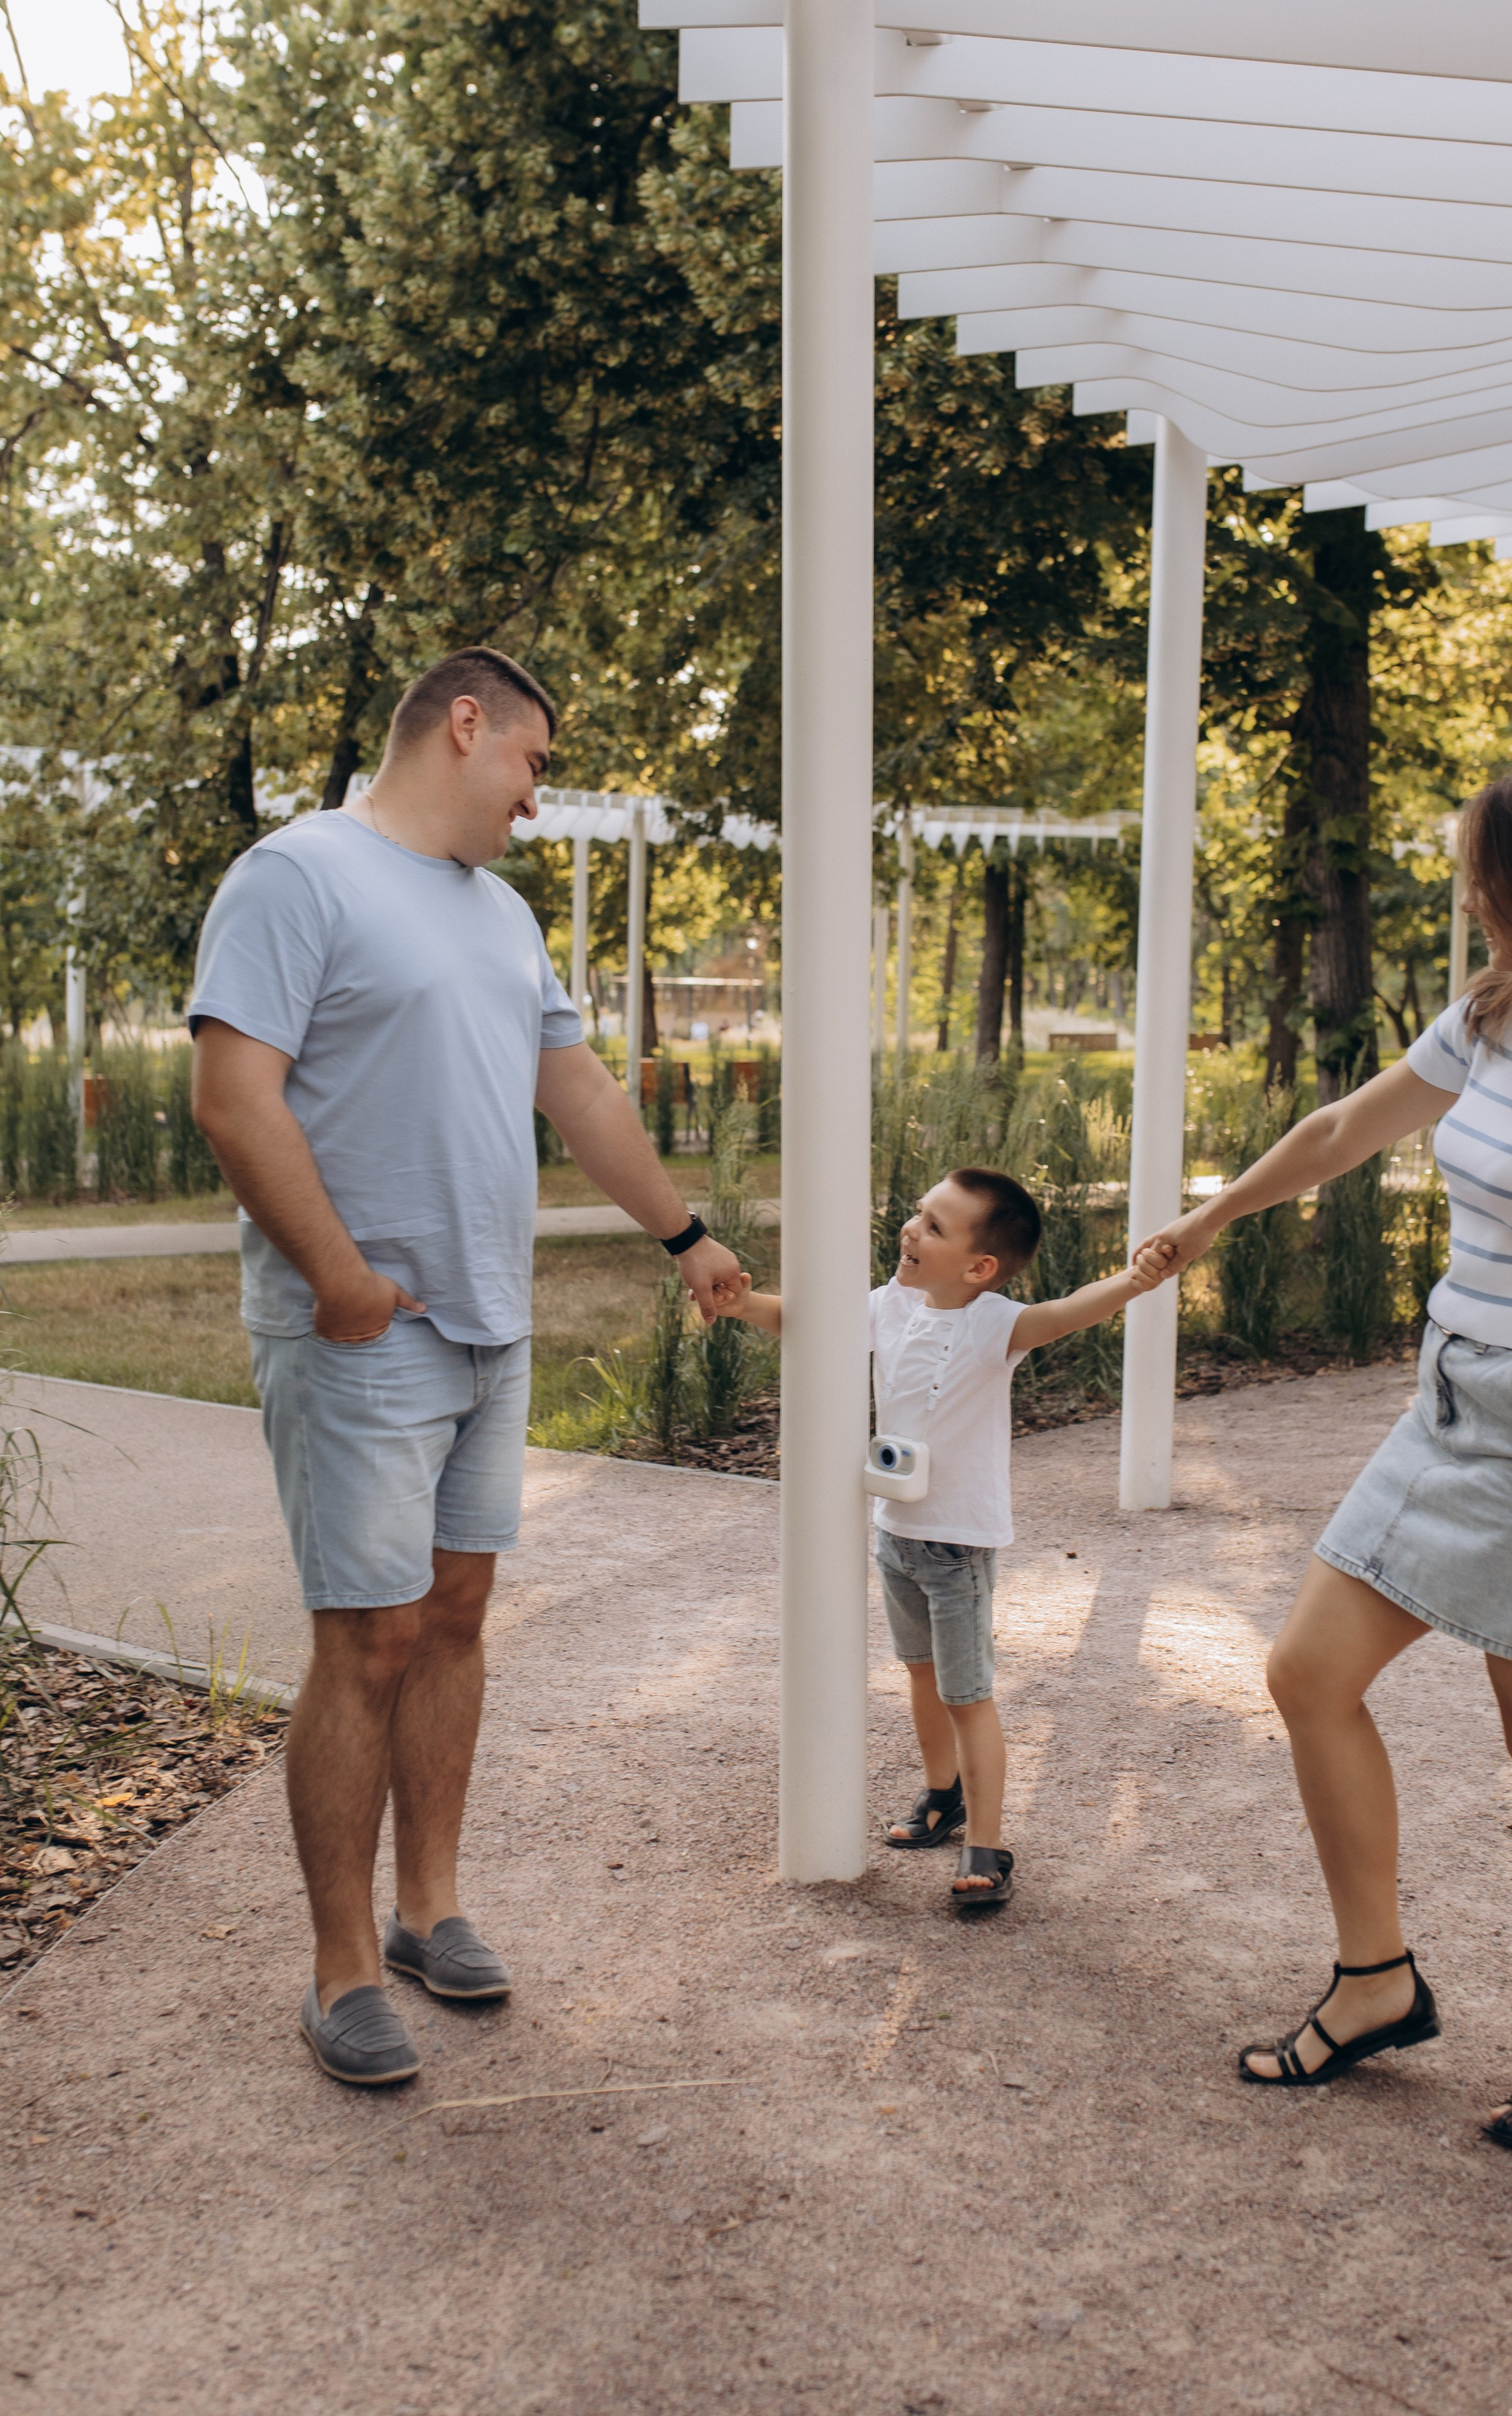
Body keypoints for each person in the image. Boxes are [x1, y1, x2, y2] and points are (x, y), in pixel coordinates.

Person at [1132, 753, 1512, 2151]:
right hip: (1451, 1398)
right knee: (1306, 1671)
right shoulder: (1493, 1015)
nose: (1468, 890)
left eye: (1486, 871)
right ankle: (1375, 1977)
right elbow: (1345, 1127)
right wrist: (1218, 1216)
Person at [189, 646, 741, 2088]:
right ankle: (341, 1968)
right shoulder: (293, 877)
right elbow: (233, 1099)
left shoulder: (501, 916)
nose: (537, 802)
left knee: (454, 1615)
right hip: (363, 1332)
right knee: (363, 1640)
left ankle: (428, 1910)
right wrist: (341, 1280)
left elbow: (578, 1090)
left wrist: (685, 1234)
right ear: (465, 723)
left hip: (491, 1326)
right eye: (534, 765)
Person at [719, 1167, 1148, 1914]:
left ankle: (988, 1841)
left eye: (935, 1226)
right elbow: (810, 1323)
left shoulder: (994, 1325)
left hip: (956, 1546)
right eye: (919, 1214)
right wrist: (741, 1304)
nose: (911, 1230)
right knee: (920, 1677)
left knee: (968, 1695)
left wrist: (1138, 1277)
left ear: (980, 1267)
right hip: (896, 1532)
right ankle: (941, 1796)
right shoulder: (891, 1305)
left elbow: (1072, 1310)